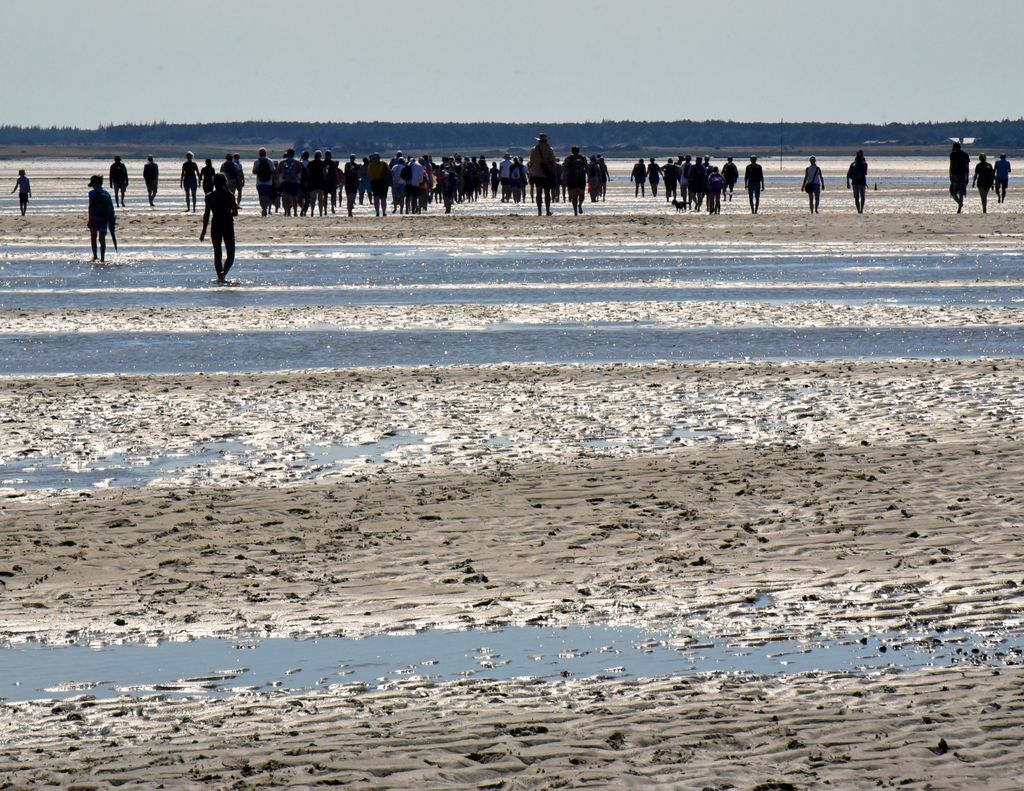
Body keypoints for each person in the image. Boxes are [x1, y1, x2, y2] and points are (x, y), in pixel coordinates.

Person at [199, 172, 239, 283]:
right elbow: (235, 213)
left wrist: (203, 231)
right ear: (225, 183)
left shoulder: (209, 197)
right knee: (231, 254)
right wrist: (229, 213)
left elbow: (206, 215)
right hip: (227, 224)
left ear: (214, 183)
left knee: (217, 254)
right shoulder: (230, 195)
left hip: (216, 224)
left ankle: (219, 278)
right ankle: (223, 273)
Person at [87, 175, 115, 262]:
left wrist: (90, 220)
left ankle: (95, 256)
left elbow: (91, 207)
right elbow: (111, 208)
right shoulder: (106, 193)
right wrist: (111, 219)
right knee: (102, 239)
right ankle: (103, 258)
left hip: (95, 218)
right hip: (104, 218)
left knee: (93, 237)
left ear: (94, 184)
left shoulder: (92, 193)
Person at [528, 133, 556, 216]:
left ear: (539, 140)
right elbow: (552, 162)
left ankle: (539, 211)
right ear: (546, 140)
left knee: (538, 192)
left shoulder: (534, 149)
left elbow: (531, 162)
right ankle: (547, 210)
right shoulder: (549, 149)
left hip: (537, 173)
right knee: (547, 193)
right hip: (547, 174)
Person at [563, 145, 588, 216]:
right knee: (581, 194)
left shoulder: (568, 158)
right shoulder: (583, 157)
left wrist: (564, 178)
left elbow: (565, 168)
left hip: (571, 178)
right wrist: (588, 177)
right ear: (578, 150)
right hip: (581, 178)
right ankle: (579, 205)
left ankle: (575, 211)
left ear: (571, 151)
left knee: (574, 196)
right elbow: (586, 168)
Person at [276, 148, 302, 216]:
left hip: (285, 181)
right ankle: (295, 212)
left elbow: (278, 172)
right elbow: (300, 172)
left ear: (287, 154)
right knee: (294, 197)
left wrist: (278, 182)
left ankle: (287, 211)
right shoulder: (297, 162)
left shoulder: (282, 162)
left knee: (286, 196)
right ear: (293, 154)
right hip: (294, 182)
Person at [252, 148, 276, 216]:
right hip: (269, 182)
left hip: (259, 182)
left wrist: (259, 172)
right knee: (267, 196)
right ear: (266, 153)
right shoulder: (270, 161)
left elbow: (254, 171)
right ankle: (265, 208)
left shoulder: (256, 162)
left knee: (261, 197)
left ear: (259, 153)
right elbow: (273, 171)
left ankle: (264, 209)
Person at [949, 141, 970, 214]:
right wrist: (967, 177)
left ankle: (959, 204)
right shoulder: (965, 155)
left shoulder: (952, 154)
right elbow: (967, 167)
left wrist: (950, 175)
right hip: (963, 175)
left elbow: (951, 166)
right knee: (961, 192)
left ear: (954, 147)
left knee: (953, 192)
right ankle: (959, 208)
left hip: (955, 175)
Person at [846, 150, 868, 214]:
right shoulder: (864, 164)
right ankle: (862, 209)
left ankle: (858, 210)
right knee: (862, 196)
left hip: (854, 183)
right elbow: (865, 173)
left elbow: (848, 174)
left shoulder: (853, 164)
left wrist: (847, 183)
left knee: (856, 197)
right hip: (862, 182)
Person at [307, 150, 327, 216]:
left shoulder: (310, 163)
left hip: (312, 182)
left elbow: (308, 173)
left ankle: (312, 212)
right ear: (320, 156)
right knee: (320, 199)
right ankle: (321, 213)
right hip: (320, 182)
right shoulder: (323, 163)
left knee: (313, 198)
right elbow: (325, 173)